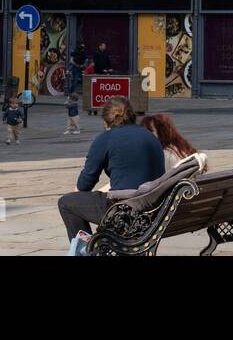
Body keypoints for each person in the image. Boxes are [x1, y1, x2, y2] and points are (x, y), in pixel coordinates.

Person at [58, 96, 165, 241]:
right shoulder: (150, 137)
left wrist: (77, 191)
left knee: (67, 202)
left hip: (124, 209)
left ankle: (84, 250)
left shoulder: (106, 138)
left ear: (106, 120)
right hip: (154, 209)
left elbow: (85, 183)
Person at [140, 113, 206, 172]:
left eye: (150, 131)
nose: (145, 134)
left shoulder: (164, 155)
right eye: (143, 131)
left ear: (162, 132)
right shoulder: (179, 148)